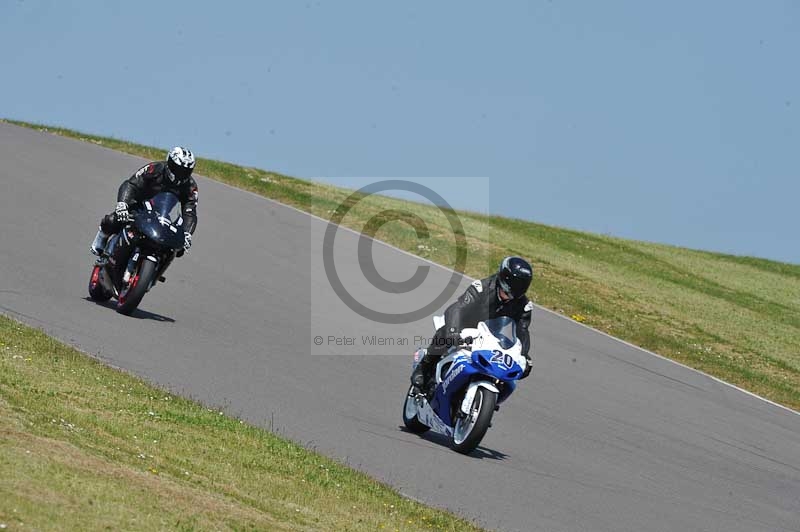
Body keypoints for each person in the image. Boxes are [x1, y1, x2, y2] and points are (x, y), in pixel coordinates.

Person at [411, 256, 534, 391]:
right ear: (502, 280)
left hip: (492, 335)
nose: (508, 297)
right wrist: (453, 332)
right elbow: (457, 308)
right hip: (465, 326)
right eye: (506, 292)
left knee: (506, 373)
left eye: (514, 295)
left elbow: (523, 330)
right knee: (445, 333)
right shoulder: (482, 288)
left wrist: (524, 355)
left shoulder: (524, 305)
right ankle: (424, 366)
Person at [90, 146, 198, 256]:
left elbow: (190, 212)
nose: (180, 175)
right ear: (169, 163)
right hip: (140, 206)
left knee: (178, 248)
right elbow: (131, 184)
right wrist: (122, 204)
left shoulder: (191, 186)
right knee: (113, 219)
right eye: (178, 169)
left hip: (163, 215)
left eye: (185, 171)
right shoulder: (153, 169)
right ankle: (102, 237)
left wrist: (187, 234)